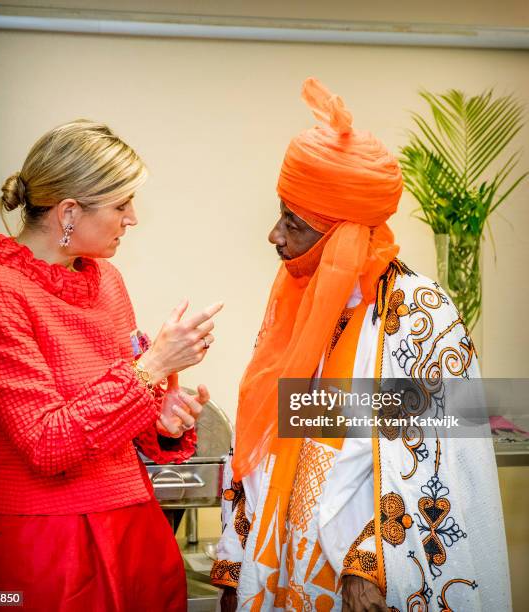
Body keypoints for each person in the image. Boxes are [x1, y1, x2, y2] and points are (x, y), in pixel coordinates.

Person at [211, 78, 511, 611]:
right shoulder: (302, 298)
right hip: (282, 565)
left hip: (361, 582)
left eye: (293, 222)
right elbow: (272, 428)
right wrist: (237, 561)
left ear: (343, 234)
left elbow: (438, 461)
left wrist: (371, 561)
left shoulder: (419, 313)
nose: (275, 236)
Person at [0, 120, 223, 611]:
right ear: (69, 212)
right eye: (122, 205)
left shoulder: (108, 282)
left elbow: (116, 415)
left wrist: (159, 418)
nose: (133, 219)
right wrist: (152, 367)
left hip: (136, 522)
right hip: (47, 540)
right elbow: (47, 443)